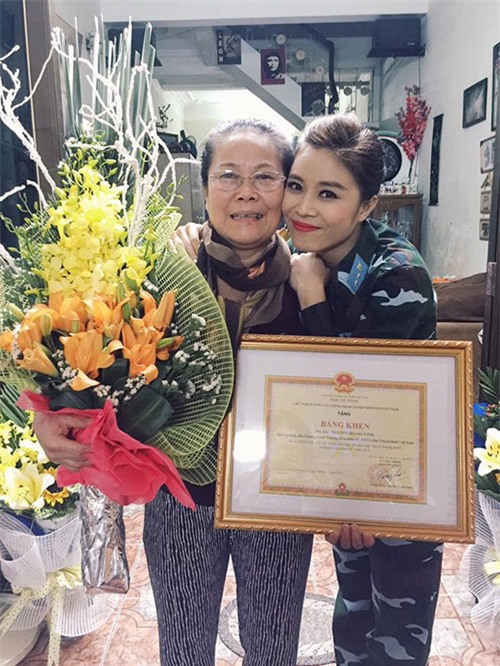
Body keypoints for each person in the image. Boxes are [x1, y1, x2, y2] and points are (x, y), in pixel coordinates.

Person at [32, 118, 314, 666]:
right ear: (204, 188)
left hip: (278, 504)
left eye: (265, 176)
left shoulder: (314, 282)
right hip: (181, 498)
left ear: (288, 190)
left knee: (274, 650)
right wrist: (51, 416)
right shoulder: (154, 275)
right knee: (183, 648)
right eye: (228, 175)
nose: (246, 192)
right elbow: (77, 358)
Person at [282, 112, 442, 666]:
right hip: (345, 483)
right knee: (353, 623)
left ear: (367, 205)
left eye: (328, 193)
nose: (304, 207)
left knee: (397, 638)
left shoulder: (396, 274)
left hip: (400, 492)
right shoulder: (310, 254)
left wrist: (310, 295)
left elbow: (349, 393)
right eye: (296, 186)